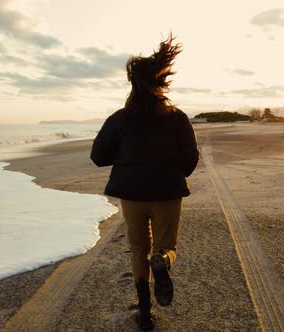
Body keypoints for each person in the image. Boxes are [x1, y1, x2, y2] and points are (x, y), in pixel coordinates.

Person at [90, 35, 199, 331]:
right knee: (165, 245)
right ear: (160, 81)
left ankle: (145, 312)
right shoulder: (177, 118)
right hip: (167, 191)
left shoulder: (120, 119)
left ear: (133, 83)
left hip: (132, 193)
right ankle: (163, 260)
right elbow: (190, 159)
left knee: (138, 248)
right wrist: (172, 173)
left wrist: (126, 158)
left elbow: (98, 156)